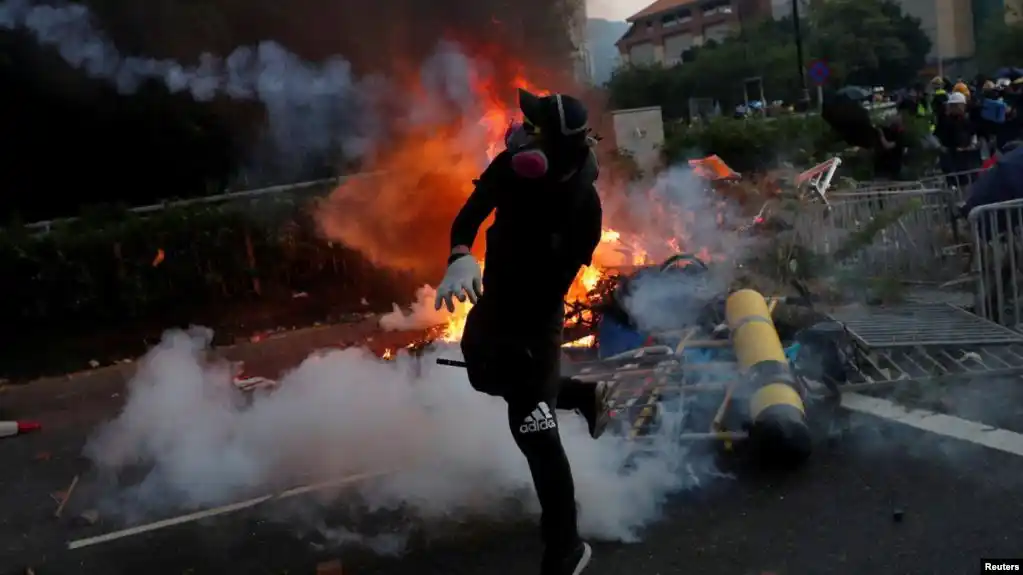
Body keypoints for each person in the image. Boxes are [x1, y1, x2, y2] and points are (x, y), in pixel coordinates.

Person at [433, 89, 614, 575]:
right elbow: (469, 215)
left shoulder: (584, 209)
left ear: (551, 146)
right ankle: (577, 394)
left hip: (534, 322)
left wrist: (523, 350)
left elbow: (552, 285)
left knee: (532, 429)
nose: (521, 131)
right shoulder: (511, 168)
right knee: (481, 375)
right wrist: (459, 255)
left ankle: (566, 549)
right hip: (494, 306)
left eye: (534, 127)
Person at [935, 91, 981, 188]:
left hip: (966, 159)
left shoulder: (966, 120)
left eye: (962, 106)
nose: (962, 108)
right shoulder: (945, 121)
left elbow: (973, 135)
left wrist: (971, 145)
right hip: (952, 160)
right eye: (959, 105)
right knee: (954, 184)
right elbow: (940, 139)